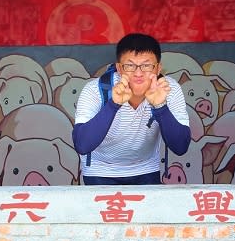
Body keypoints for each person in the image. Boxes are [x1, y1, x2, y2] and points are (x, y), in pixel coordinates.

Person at [72, 33, 191, 185]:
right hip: (100, 169)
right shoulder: (94, 90)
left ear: (158, 68)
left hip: (146, 168)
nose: (138, 73)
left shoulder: (169, 89)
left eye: (147, 65)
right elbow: (82, 144)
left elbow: (180, 147)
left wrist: (160, 106)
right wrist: (113, 104)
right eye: (130, 66)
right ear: (119, 68)